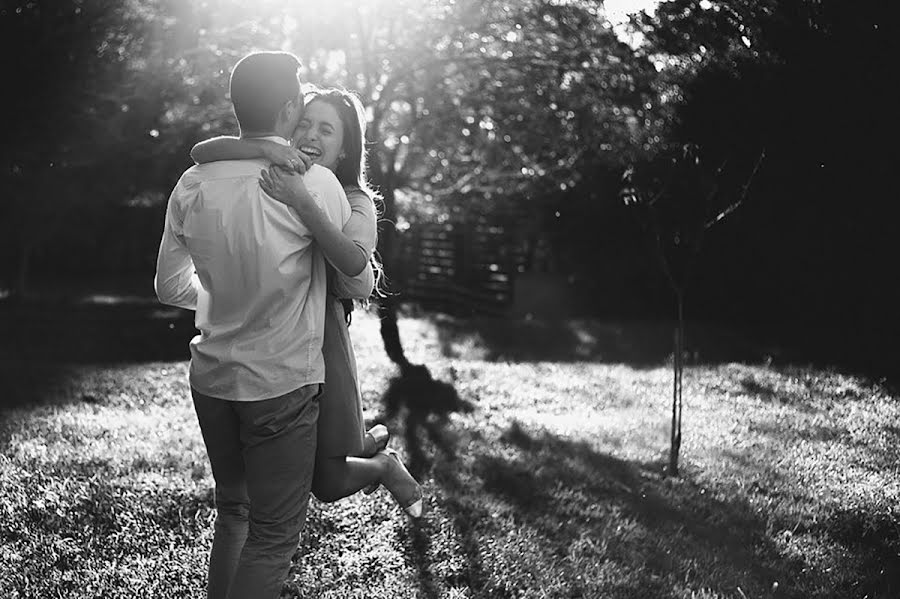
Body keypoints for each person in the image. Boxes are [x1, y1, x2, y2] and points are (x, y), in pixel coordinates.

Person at [155, 52, 372, 599]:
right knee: (273, 538)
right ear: (289, 107)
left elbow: (168, 287)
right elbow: (356, 279)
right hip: (280, 383)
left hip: (211, 379)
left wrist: (227, 297)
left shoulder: (192, 181)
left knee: (234, 512)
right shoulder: (315, 183)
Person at [190, 88, 423, 516]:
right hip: (273, 338)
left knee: (329, 482)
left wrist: (300, 198)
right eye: (305, 123)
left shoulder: (356, 201)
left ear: (346, 146)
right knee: (303, 467)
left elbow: (353, 267)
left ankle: (382, 464)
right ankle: (366, 441)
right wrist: (260, 146)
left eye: (326, 129)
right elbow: (202, 149)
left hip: (323, 334)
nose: (311, 135)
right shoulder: (274, 169)